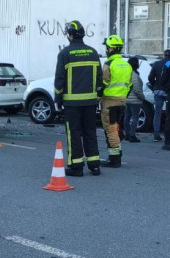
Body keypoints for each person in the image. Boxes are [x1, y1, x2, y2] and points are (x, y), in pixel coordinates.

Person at [54, 21, 103, 177]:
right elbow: (100, 79)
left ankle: (76, 167)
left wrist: (58, 99)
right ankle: (95, 165)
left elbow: (59, 80)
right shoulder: (93, 52)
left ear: (69, 35)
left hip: (72, 104)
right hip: (90, 102)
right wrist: (98, 97)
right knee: (90, 132)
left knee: (74, 134)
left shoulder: (65, 53)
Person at [100, 35, 132, 168]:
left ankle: (114, 159)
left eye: (107, 47)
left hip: (109, 102)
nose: (106, 50)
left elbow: (103, 83)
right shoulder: (126, 64)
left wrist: (97, 96)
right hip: (121, 102)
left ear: (112, 48)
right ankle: (116, 154)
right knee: (116, 128)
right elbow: (130, 85)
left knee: (111, 130)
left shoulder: (109, 64)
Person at [147, 49, 170, 142]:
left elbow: (150, 78)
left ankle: (156, 135)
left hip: (158, 90)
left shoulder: (157, 64)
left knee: (157, 113)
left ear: (163, 55)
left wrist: (155, 85)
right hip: (169, 91)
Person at [124, 56, 144, 143]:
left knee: (127, 117)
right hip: (135, 100)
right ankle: (132, 135)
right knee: (135, 117)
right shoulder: (135, 75)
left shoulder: (127, 74)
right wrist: (142, 97)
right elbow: (137, 90)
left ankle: (127, 134)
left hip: (127, 99)